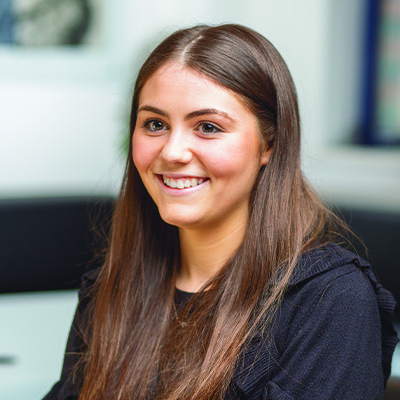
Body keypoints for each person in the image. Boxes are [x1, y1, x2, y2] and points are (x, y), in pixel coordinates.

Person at [43, 24, 398, 400]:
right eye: (155, 124)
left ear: (270, 144)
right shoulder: (113, 287)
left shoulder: (332, 300)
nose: (172, 152)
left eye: (208, 127)